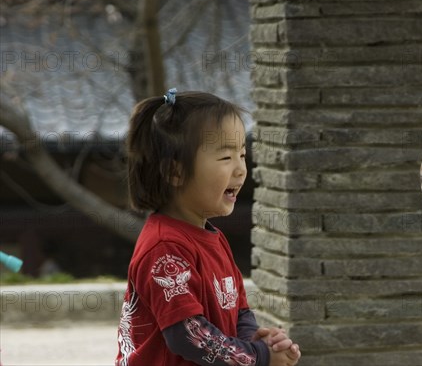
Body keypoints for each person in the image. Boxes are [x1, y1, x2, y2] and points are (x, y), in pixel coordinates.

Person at [116, 89, 301, 366]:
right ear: (175, 172)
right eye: (226, 158)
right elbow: (188, 335)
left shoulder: (214, 238)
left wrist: (257, 341)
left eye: (242, 154)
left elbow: (239, 311)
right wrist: (259, 357)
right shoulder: (165, 249)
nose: (240, 169)